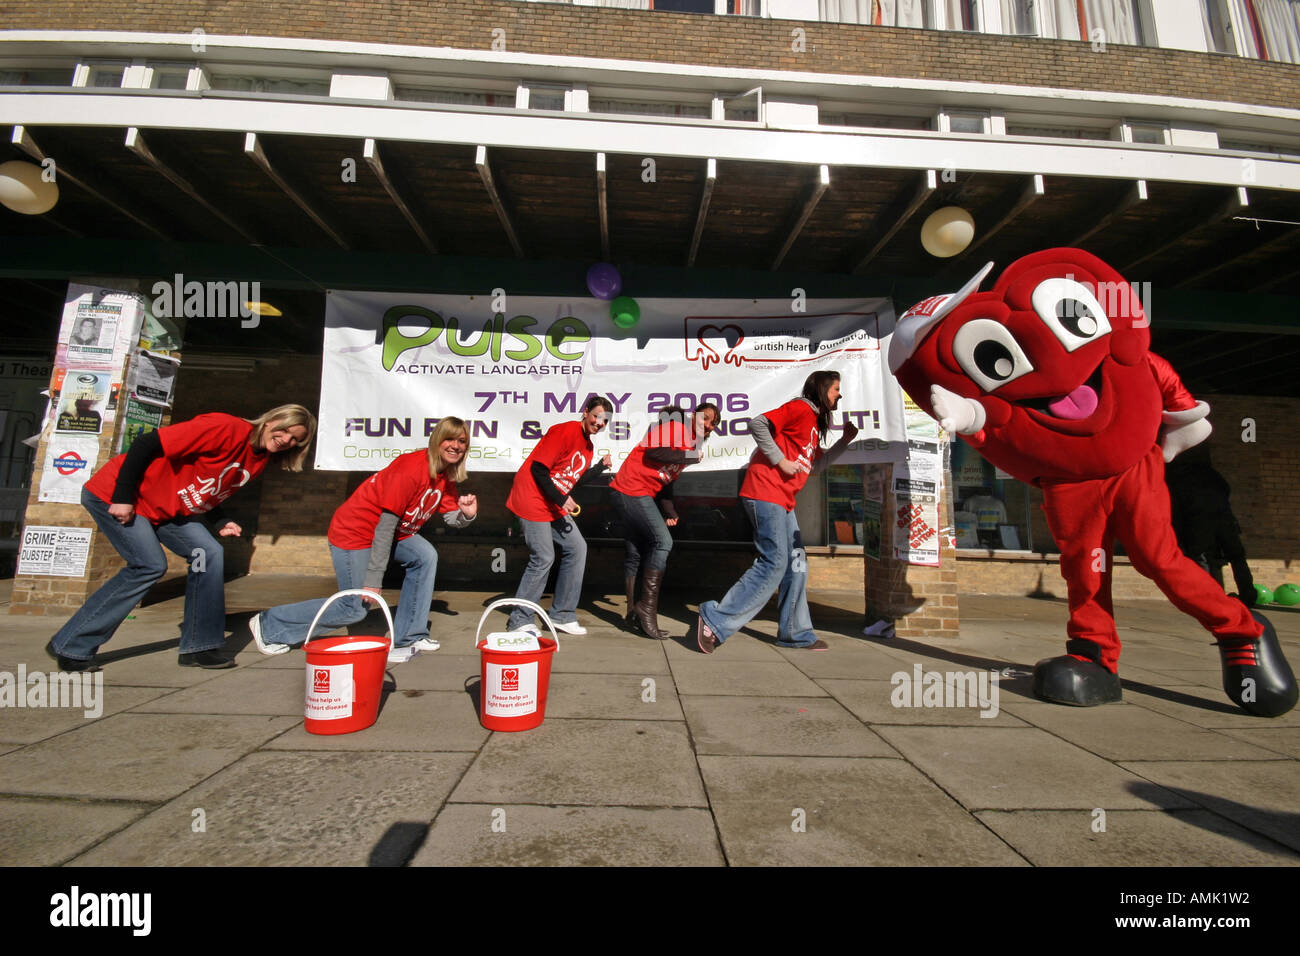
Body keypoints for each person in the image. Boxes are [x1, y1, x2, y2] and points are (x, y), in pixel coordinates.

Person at [46, 404, 317, 672]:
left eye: (295, 440)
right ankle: (71, 644)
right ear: (271, 421)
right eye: (285, 431)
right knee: (149, 565)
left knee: (208, 554)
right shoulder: (226, 428)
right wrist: (122, 498)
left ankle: (199, 647)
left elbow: (206, 489)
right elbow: (145, 444)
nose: (286, 441)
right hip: (120, 496)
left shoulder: (257, 460)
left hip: (165, 509)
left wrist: (220, 520)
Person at [250, 417, 478, 663]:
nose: (456, 445)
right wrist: (373, 580)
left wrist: (467, 515)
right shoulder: (411, 468)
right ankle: (270, 625)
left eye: (462, 441)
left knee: (425, 556)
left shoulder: (446, 475)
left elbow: (450, 516)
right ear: (436, 440)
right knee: (354, 607)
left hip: (394, 534)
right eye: (450, 439)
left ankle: (410, 635)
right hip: (355, 532)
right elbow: (384, 527)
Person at [696, 371, 858, 653]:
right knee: (774, 562)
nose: (839, 395)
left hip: (783, 501)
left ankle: (795, 633)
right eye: (835, 389)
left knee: (797, 564)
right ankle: (715, 620)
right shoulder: (800, 409)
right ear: (821, 389)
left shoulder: (811, 425)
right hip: (764, 492)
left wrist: (844, 441)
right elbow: (758, 424)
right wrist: (780, 461)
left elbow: (816, 466)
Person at [504, 395, 612, 635]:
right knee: (543, 556)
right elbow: (538, 469)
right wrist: (561, 499)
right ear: (585, 412)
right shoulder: (564, 431)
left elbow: (573, 478)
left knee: (577, 547)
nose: (599, 423)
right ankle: (519, 620)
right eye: (596, 416)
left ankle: (562, 615)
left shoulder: (589, 446)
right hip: (531, 497)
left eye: (605, 420)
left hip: (553, 504)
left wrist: (599, 468)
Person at [610, 403, 718, 639]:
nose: (709, 425)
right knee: (662, 542)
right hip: (630, 489)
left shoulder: (689, 442)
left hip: (639, 492)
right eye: (706, 419)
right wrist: (690, 456)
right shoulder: (674, 427)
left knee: (636, 552)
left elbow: (665, 481)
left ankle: (633, 615)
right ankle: (646, 609)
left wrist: (671, 511)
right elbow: (653, 451)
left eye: (713, 424)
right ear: (693, 416)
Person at [1165, 442, 1255, 605]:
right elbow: (1226, 489)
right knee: (1237, 557)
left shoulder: (1177, 477)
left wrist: (1177, 534)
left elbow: (1176, 507)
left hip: (1197, 521)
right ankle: (1248, 594)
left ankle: (1208, 597)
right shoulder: (1210, 473)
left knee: (1201, 558)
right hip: (1224, 518)